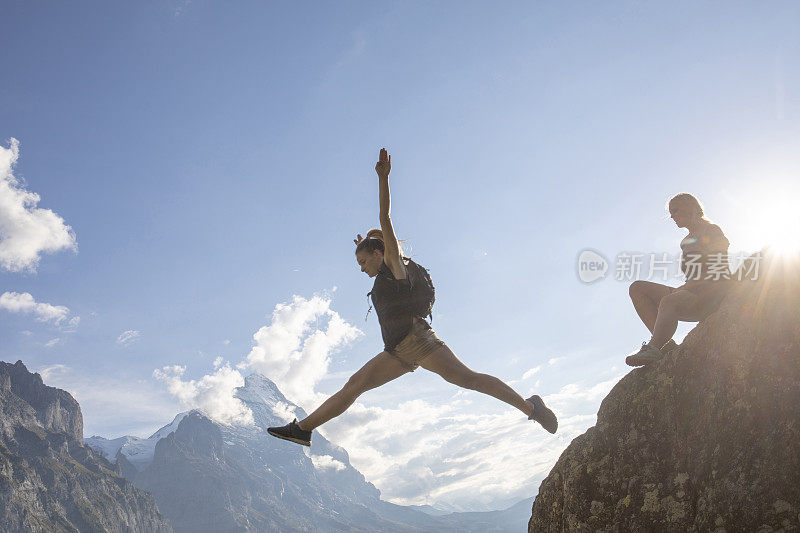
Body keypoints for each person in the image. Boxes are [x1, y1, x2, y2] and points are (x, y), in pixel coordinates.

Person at [267, 148, 558, 446]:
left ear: (380, 253)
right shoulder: (383, 272)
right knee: (353, 385)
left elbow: (385, 216)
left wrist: (383, 179)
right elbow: (375, 247)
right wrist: (363, 246)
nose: (362, 269)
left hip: (418, 341)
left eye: (364, 262)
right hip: (397, 350)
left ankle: (531, 407)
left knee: (468, 379)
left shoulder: (395, 266)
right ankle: (302, 429)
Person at [626, 193, 732, 366]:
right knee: (637, 288)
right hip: (691, 291)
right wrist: (687, 287)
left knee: (669, 301)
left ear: (691, 208)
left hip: (712, 294)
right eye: (670, 213)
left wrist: (688, 287)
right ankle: (665, 344)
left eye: (675, 210)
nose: (672, 216)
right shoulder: (686, 240)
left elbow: (719, 269)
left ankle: (654, 347)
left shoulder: (711, 230)